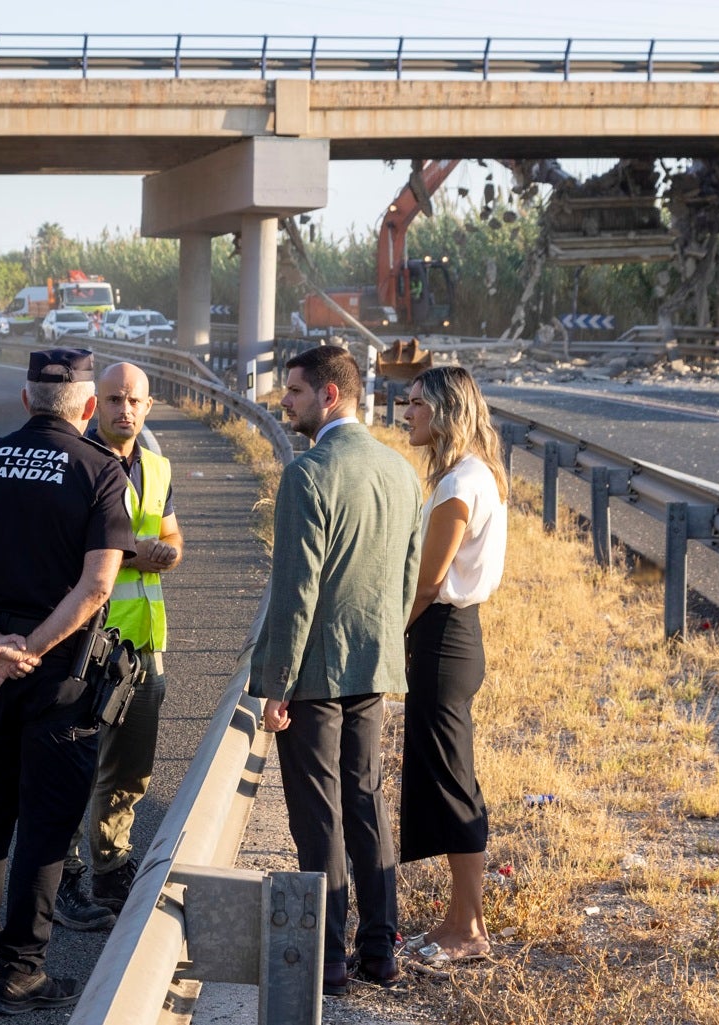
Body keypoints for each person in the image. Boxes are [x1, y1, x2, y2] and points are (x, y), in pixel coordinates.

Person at [0, 347, 136, 1015]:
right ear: (89, 407)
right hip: (62, 676)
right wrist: (34, 648)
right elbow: (98, 584)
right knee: (45, 827)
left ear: (24, 400)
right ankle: (20, 972)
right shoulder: (102, 470)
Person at [248, 345, 423, 995]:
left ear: (329, 395)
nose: (283, 401)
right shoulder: (402, 472)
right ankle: (380, 948)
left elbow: (296, 593)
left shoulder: (307, 474)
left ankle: (326, 957)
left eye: (293, 390)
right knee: (368, 803)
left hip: (315, 673)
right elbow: (408, 581)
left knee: (318, 815)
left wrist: (277, 685)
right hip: (373, 663)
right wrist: (380, 644)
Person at [55, 361, 184, 931]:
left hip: (143, 643)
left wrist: (168, 552)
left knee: (131, 769)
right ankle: (63, 879)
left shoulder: (156, 467)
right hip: (85, 642)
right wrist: (140, 552)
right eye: (113, 399)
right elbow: (79, 548)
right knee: (74, 762)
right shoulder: (75, 463)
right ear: (93, 405)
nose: (124, 409)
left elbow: (171, 534)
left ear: (148, 406)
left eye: (133, 400)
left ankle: (111, 868)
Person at [397, 365, 508, 966]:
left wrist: (390, 634)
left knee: (454, 785)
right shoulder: (471, 474)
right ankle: (456, 921)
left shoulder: (460, 482)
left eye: (415, 403)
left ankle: (469, 929)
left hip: (443, 638)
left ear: (444, 411)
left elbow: (428, 581)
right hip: (454, 638)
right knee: (450, 780)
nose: (406, 413)